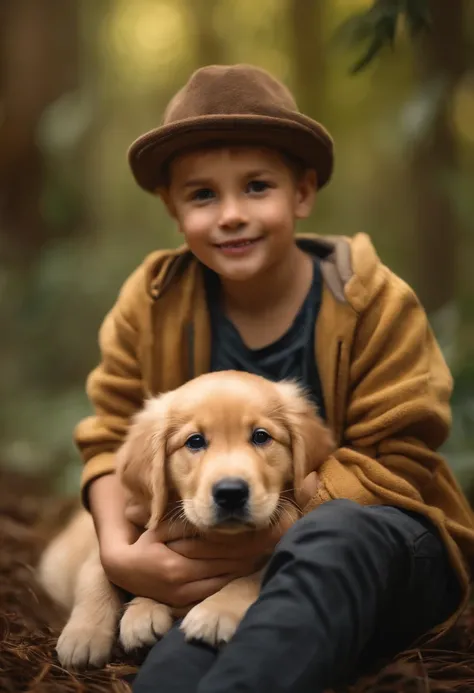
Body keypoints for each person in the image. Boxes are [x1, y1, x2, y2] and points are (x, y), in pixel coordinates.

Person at [75, 64, 474, 693]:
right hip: (214, 558)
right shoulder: (152, 301)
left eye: (257, 186)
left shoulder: (373, 299)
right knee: (181, 656)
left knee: (333, 537)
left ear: (303, 192)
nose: (231, 214)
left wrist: (277, 529)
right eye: (203, 195)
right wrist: (120, 555)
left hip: (380, 543)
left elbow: (399, 459)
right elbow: (107, 438)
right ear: (174, 210)